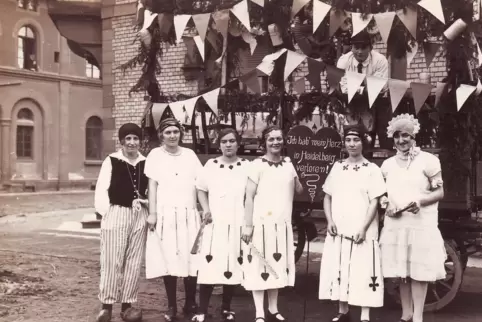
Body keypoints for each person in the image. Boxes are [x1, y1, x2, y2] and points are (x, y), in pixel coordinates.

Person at [380, 114, 446, 322]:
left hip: (420, 225)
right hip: (397, 225)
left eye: (406, 135)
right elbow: (381, 193)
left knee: (418, 271)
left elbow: (439, 193)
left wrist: (420, 202)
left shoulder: (428, 161)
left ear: (413, 136)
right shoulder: (387, 165)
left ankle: (418, 316)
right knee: (403, 271)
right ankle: (406, 313)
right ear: (393, 139)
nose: (402, 140)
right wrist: (386, 204)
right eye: (398, 136)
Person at [318, 124, 386, 322]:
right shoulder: (338, 167)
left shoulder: (372, 169)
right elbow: (327, 196)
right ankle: (343, 310)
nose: (352, 144)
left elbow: (375, 200)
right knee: (341, 266)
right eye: (348, 140)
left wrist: (364, 227)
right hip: (340, 227)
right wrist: (329, 220)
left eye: (356, 140)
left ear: (364, 142)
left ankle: (365, 314)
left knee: (363, 268)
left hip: (362, 228)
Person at [241, 125, 303, 322]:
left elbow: (299, 190)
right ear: (264, 143)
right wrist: (248, 225)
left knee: (276, 266)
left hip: (281, 225)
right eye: (271, 139)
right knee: (259, 267)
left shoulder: (288, 164)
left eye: (279, 138)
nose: (275, 142)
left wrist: (298, 169)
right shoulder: (257, 165)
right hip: (261, 225)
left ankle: (273, 309)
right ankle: (259, 312)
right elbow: (249, 197)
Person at [144, 118, 203, 321]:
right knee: (169, 258)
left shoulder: (190, 155)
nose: (172, 136)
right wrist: (152, 213)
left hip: (189, 213)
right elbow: (152, 186)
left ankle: (190, 303)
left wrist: (202, 208)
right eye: (168, 132)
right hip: (165, 213)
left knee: (190, 258)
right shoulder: (154, 155)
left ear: (180, 134)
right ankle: (171, 305)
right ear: (161, 135)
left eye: (175, 132)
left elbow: (199, 183)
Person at [192, 128, 250, 322]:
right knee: (210, 261)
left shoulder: (246, 166)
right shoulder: (211, 165)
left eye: (232, 141)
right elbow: (200, 189)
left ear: (238, 143)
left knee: (232, 261)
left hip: (237, 220)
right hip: (215, 221)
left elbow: (251, 194)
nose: (228, 145)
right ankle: (201, 309)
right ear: (219, 144)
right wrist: (206, 209)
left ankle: (226, 307)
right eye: (224, 141)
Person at [94, 122, 148, 322]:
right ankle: (106, 306)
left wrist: (147, 203)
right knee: (111, 260)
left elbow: (151, 188)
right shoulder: (112, 160)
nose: (132, 143)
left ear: (140, 141)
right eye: (128, 139)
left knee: (134, 262)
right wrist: (105, 213)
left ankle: (127, 306)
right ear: (122, 141)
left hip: (139, 215)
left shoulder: (145, 162)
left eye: (135, 139)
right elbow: (102, 188)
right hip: (116, 213)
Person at [337, 31, 392, 149]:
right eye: (356, 48)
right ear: (351, 48)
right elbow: (344, 88)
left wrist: (356, 87)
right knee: (355, 137)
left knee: (384, 134)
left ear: (370, 48)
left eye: (363, 48)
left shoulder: (380, 60)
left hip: (378, 102)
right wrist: (367, 85)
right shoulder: (344, 61)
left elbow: (380, 88)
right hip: (353, 102)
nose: (360, 52)